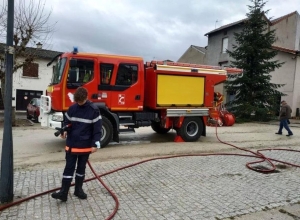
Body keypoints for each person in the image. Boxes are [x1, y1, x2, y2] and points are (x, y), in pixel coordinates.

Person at [51, 87, 102, 202]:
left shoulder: (93, 110)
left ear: (86, 97)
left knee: (81, 168)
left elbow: (97, 129)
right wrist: (64, 131)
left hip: (85, 145)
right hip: (72, 144)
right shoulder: (73, 108)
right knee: (69, 168)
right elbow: (67, 122)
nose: (79, 103)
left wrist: (95, 144)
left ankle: (78, 190)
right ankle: (63, 193)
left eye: (81, 101)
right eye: (77, 101)